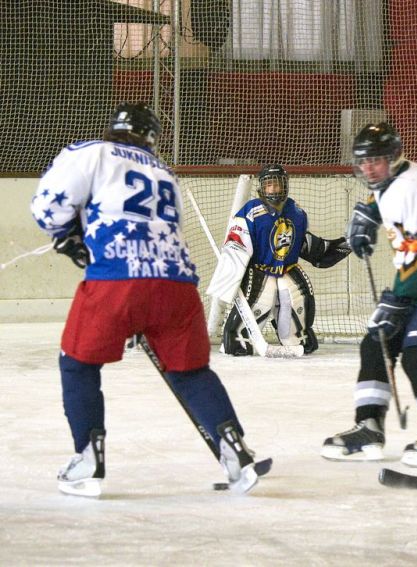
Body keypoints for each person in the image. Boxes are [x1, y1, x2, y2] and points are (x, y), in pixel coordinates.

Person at [30, 102, 262, 496]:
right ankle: (235, 450)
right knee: (190, 372)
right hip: (176, 286)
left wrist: (67, 236)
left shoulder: (92, 152)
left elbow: (47, 208)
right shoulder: (164, 171)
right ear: (152, 137)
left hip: (117, 280)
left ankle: (88, 460)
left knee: (78, 364)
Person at [321, 122, 417, 467]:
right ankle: (368, 425)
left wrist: (397, 300)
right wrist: (368, 214)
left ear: (393, 158)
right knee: (376, 342)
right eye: (363, 162)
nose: (368, 169)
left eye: (375, 161)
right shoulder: (392, 179)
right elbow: (382, 198)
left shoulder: (412, 188)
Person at [206, 164, 351, 358]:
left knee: (297, 302)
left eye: (277, 184)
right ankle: (239, 341)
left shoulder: (296, 212)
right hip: (259, 270)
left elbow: (304, 244)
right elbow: (236, 245)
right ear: (261, 188)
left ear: (285, 185)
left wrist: (345, 244)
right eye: (269, 185)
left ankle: (296, 338)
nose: (273, 189)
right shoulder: (250, 212)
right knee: (256, 310)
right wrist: (231, 276)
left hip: (287, 269)